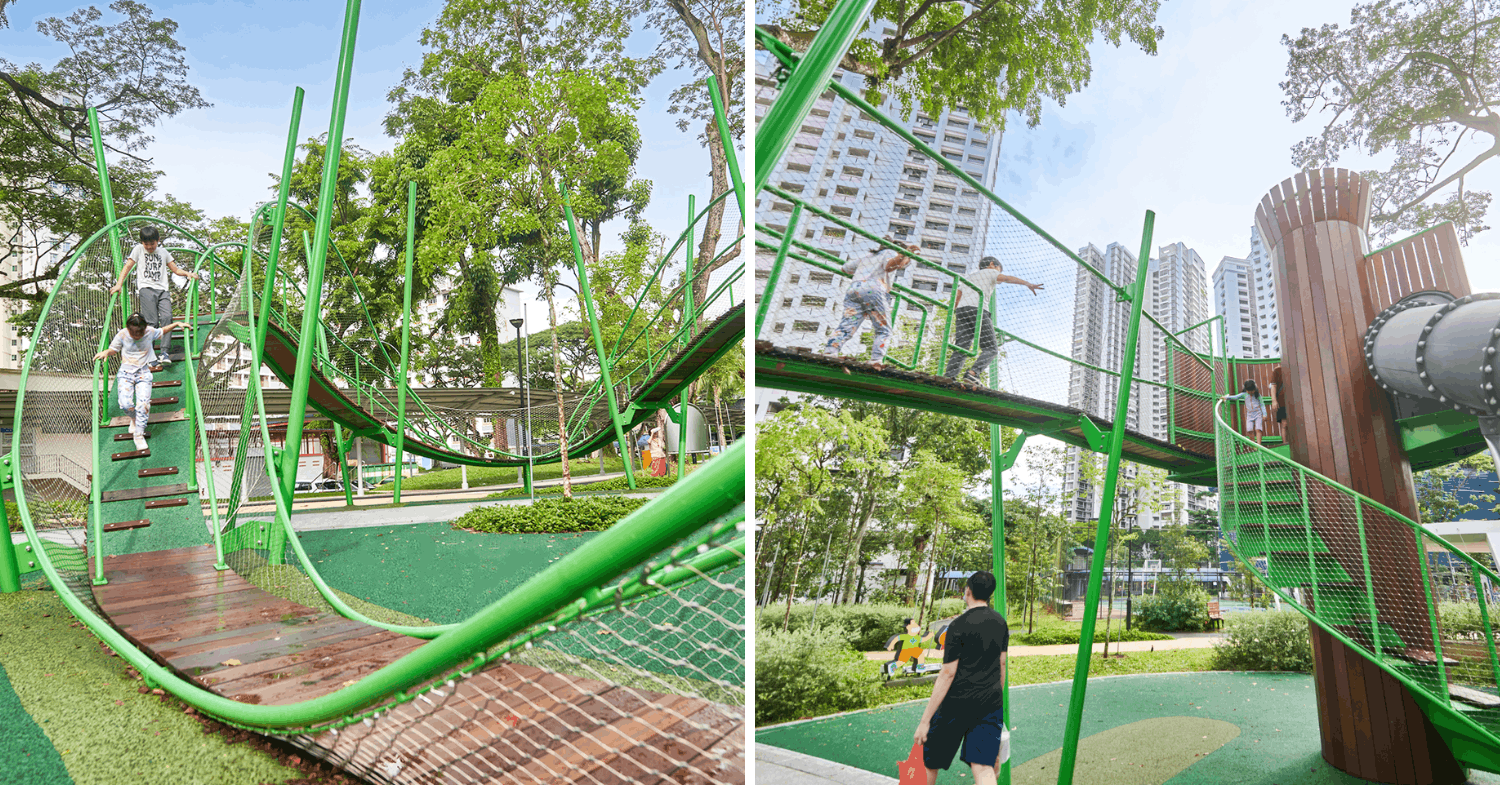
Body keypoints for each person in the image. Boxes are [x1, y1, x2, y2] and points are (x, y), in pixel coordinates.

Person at [914, 571, 1009, 785]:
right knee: (984, 767)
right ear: (989, 594)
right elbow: (1002, 664)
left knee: (931, 762)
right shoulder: (1000, 623)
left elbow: (947, 673)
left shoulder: (957, 626)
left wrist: (924, 721)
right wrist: (995, 698)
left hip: (956, 704)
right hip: (989, 703)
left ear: (968, 591)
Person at [109, 225, 204, 367]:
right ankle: (149, 353)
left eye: (152, 244)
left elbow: (175, 269)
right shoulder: (138, 250)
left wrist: (188, 274)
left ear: (158, 240)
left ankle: (164, 352)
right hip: (146, 289)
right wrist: (119, 284)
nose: (149, 247)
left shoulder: (163, 252)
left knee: (167, 317)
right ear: (141, 243)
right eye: (146, 244)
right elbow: (127, 267)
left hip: (163, 290)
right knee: (152, 321)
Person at [942, 257, 1044, 384]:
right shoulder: (990, 272)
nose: (998, 272)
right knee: (991, 348)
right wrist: (1027, 284)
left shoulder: (969, 277)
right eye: (998, 269)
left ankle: (949, 377)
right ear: (992, 264)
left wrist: (957, 311)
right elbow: (1006, 278)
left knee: (962, 346)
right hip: (978, 310)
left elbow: (957, 295)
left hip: (961, 311)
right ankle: (972, 373)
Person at [95, 313, 188, 451]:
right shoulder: (122, 334)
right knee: (125, 404)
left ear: (144, 329)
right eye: (134, 333)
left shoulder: (149, 331)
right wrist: (105, 353)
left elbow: (163, 330)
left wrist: (176, 324)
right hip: (126, 373)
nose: (137, 336)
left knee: (143, 404)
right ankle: (134, 419)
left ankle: (139, 434)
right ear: (129, 329)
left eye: (140, 332)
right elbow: (114, 349)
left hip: (143, 373)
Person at [821, 240, 920, 370]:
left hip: (854, 289)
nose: (904, 265)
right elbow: (889, 266)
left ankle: (830, 352)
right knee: (884, 329)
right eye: (907, 261)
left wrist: (865, 271)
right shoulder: (891, 252)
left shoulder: (868, 256)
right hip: (874, 289)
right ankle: (876, 360)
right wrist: (903, 254)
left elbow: (845, 268)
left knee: (847, 325)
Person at [1223, 379, 1265, 444]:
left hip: (1258, 413)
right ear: (1246, 389)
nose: (1250, 392)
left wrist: (1264, 414)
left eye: (1252, 391)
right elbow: (1236, 397)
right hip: (1249, 414)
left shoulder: (1258, 395)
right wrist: (1227, 398)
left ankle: (1259, 445)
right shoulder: (1244, 394)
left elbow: (1262, 405)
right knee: (1249, 430)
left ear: (1254, 388)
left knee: (1258, 429)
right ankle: (1253, 443)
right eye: (1249, 391)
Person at [1270, 365, 1288, 446]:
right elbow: (1273, 386)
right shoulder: (1277, 370)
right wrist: (1274, 400)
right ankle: (1285, 444)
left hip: (1295, 400)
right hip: (1282, 400)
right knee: (1284, 423)